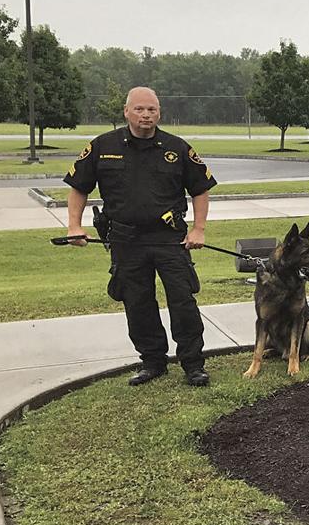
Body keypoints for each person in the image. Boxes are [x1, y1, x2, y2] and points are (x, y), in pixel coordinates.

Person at [64, 87, 218, 387]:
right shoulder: (102, 146)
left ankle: (193, 363)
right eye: (139, 109)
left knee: (183, 302)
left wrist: (199, 229)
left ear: (159, 113)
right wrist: (74, 226)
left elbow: (200, 188)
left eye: (152, 110)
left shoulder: (177, 149)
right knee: (137, 304)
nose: (146, 115)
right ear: (126, 111)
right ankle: (152, 362)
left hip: (169, 240)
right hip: (126, 241)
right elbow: (79, 187)